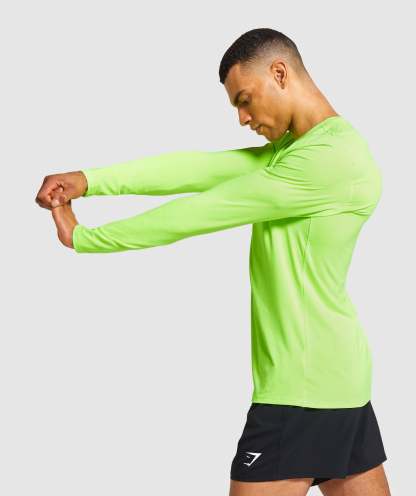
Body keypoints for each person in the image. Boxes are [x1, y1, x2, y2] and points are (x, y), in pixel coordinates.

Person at [35, 28, 391, 496]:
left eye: (245, 100)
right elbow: (198, 169)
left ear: (279, 73)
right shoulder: (302, 150)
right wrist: (89, 180)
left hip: (299, 390)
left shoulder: (328, 160)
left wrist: (85, 237)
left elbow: (201, 212)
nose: (243, 118)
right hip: (339, 380)